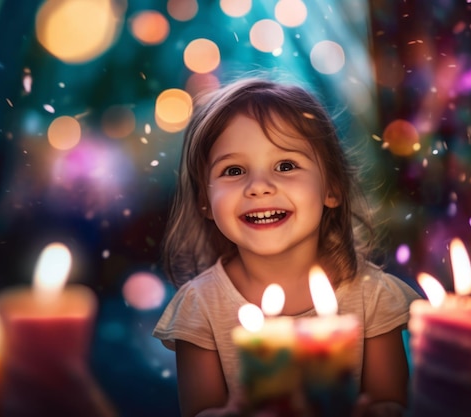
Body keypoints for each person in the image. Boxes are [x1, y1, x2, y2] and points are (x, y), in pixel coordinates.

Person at [152, 77, 421, 417]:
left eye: (286, 165)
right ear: (205, 200)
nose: (259, 187)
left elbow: (391, 404)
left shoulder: (373, 297)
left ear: (332, 188)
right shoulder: (200, 308)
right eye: (233, 170)